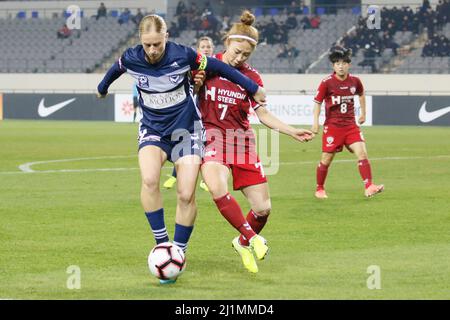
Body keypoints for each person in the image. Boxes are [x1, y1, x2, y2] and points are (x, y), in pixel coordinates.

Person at [97, 14, 266, 284]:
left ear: (166, 37)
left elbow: (220, 67)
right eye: (147, 44)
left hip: (187, 130)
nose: (152, 50)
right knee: (150, 179)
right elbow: (115, 69)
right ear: (141, 41)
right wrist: (102, 88)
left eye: (157, 44)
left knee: (186, 194)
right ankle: (163, 246)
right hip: (153, 129)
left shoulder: (184, 54)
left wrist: (252, 87)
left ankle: (179, 254)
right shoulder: (131, 57)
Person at [199, 11, 314, 273]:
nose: (239, 58)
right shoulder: (206, 65)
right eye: (236, 51)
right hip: (211, 136)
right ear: (227, 41)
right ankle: (253, 238)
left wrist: (290, 131)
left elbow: (262, 114)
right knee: (217, 186)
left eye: (245, 55)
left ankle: (242, 242)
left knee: (263, 209)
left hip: (241, 142)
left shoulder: (253, 78)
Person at [311, 46, 384, 199]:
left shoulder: (355, 81)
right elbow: (317, 103)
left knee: (362, 153)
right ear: (333, 66)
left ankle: (369, 186)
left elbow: (361, 94)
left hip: (351, 126)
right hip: (333, 127)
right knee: (326, 159)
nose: (341, 66)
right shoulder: (327, 83)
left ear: (348, 64)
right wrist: (315, 123)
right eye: (337, 63)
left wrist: (363, 114)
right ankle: (319, 188)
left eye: (344, 63)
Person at [163, 36, 215, 192]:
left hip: (212, 113)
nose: (206, 49)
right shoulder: (192, 68)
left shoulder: (216, 68)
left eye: (208, 46)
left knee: (208, 144)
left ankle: (206, 179)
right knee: (189, 144)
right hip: (196, 111)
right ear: (198, 50)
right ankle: (175, 175)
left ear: (212, 49)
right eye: (203, 46)